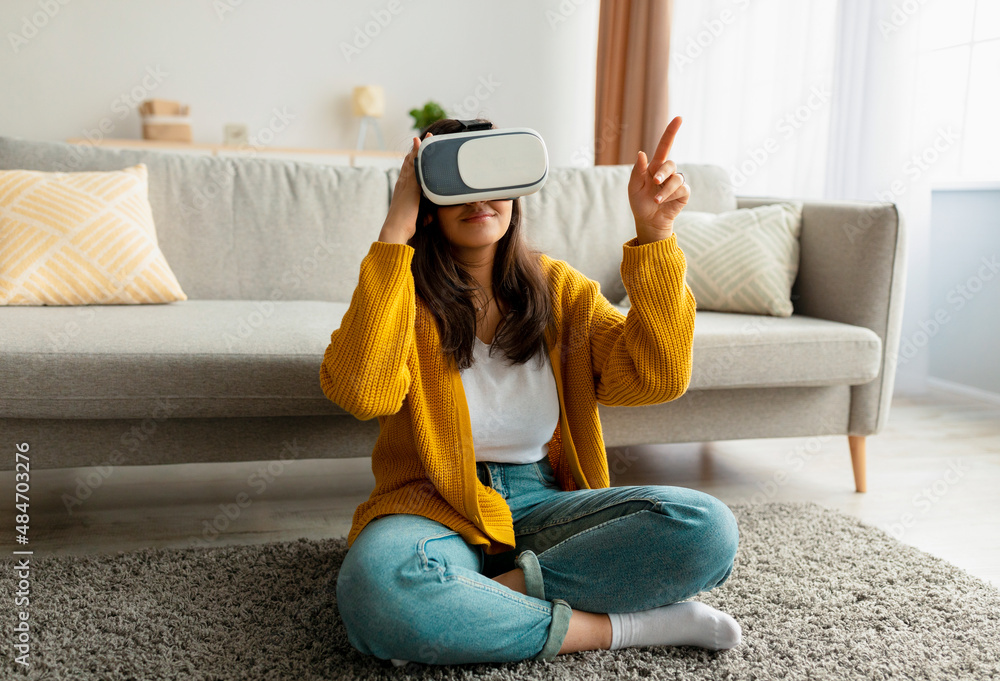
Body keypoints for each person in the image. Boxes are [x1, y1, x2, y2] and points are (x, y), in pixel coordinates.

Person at [320, 116, 741, 667]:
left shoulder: (560, 290)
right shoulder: (401, 293)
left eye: (495, 178)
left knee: (706, 528)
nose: (480, 198)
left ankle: (469, 603)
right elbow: (360, 392)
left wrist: (655, 237)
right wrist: (394, 233)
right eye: (455, 180)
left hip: (543, 501)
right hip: (429, 504)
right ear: (426, 196)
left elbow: (653, 377)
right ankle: (630, 627)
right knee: (374, 593)